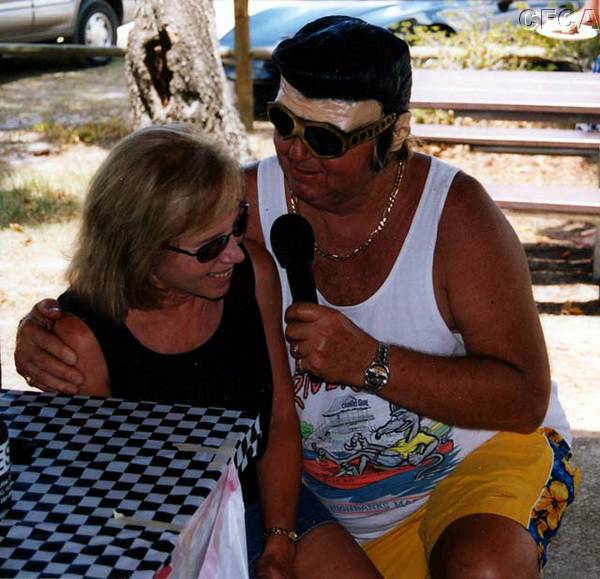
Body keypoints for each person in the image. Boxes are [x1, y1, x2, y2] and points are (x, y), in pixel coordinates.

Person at [15, 17, 579, 578]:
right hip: (319, 495)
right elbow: (135, 258)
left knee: (483, 568)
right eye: (284, 123)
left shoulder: (455, 216)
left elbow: (524, 399)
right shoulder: (239, 206)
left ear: (392, 136)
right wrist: (47, 333)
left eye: (326, 140)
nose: (296, 152)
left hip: (472, 469)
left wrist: (370, 363)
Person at [14, 124, 380, 579]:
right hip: (155, 534)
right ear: (141, 250)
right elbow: (102, 496)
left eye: (237, 225)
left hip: (258, 502)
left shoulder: (254, 275)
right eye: (210, 247)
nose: (235, 254)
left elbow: (280, 417)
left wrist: (278, 542)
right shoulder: (83, 338)